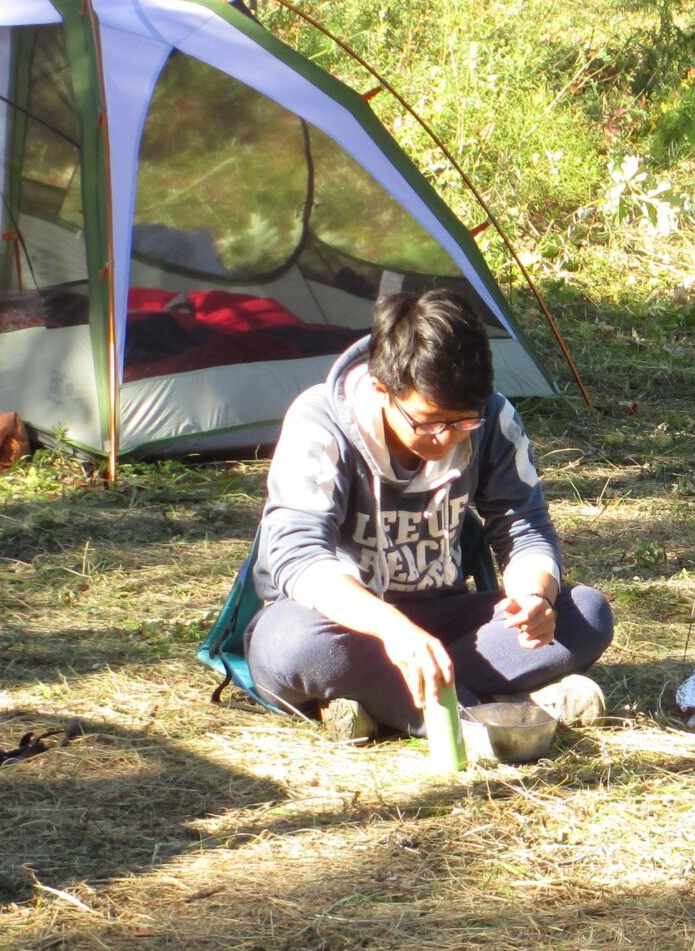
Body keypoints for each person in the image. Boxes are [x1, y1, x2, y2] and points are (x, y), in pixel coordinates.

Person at [244, 286, 615, 741]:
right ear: (383, 390)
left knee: (586, 614)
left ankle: (382, 703)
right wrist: (392, 630)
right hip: (337, 625)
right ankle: (480, 716)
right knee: (291, 642)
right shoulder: (320, 421)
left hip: (441, 618)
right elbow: (296, 556)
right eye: (430, 421)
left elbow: (523, 524)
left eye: (464, 421)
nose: (448, 439)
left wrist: (535, 596)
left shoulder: (493, 418)